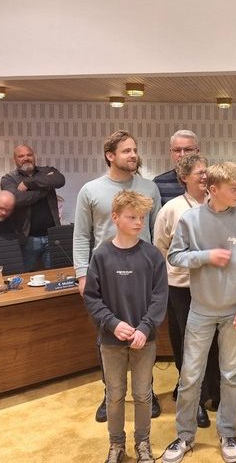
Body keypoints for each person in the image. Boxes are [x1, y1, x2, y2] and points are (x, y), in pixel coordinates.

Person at [162, 162, 236, 463]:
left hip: (235, 312)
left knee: (231, 376)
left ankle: (228, 432)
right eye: (233, 189)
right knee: (191, 376)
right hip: (200, 311)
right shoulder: (190, 220)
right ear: (213, 189)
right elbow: (175, 256)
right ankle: (184, 436)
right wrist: (206, 256)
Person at [73, 130, 162, 423]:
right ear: (110, 155)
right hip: (105, 275)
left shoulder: (149, 188)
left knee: (143, 334)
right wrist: (82, 274)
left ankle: (145, 391)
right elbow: (81, 235)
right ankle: (109, 392)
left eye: (135, 150)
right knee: (109, 336)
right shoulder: (91, 190)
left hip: (143, 274)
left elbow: (158, 234)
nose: (133, 155)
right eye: (126, 151)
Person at [83, 190, 168, 463]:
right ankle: (116, 445)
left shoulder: (153, 256)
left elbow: (159, 298)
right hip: (111, 341)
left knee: (143, 395)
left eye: (142, 217)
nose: (138, 223)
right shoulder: (102, 256)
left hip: (145, 339)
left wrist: (144, 327)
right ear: (115, 217)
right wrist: (112, 324)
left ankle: (143, 443)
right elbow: (92, 298)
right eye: (132, 217)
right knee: (115, 395)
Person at [153, 153, 218, 429]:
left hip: (213, 287)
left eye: (206, 172)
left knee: (214, 341)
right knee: (189, 344)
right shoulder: (172, 209)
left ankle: (215, 391)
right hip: (181, 287)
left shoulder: (217, 204)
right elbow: (160, 248)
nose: (204, 176)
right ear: (184, 178)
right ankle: (196, 401)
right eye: (198, 173)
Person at [0, 144, 65, 271]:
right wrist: (44, 190)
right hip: (27, 239)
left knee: (55, 276)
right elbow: (16, 199)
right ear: (15, 160)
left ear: (34, 157)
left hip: (52, 236)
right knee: (22, 279)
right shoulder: (9, 179)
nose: (26, 158)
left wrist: (28, 183)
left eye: (29, 155)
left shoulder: (47, 171)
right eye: (21, 156)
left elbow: (59, 180)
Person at [154, 130, 200, 206]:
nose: (182, 154)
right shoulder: (159, 183)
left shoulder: (209, 180)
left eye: (187, 150)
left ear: (197, 152)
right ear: (171, 153)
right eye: (177, 150)